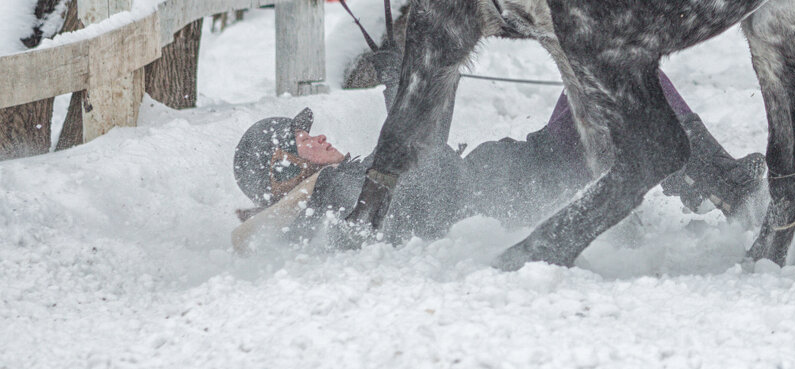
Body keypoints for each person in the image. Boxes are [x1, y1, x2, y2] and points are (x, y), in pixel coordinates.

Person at [232, 75, 764, 252]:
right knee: (616, 79)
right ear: (284, 169)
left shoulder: (345, 185)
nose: (318, 135)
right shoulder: (339, 198)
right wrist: (411, 102)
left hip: (525, 161)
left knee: (612, 72)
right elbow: (424, 195)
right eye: (302, 140)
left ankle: (713, 181)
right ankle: (720, 185)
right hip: (529, 177)